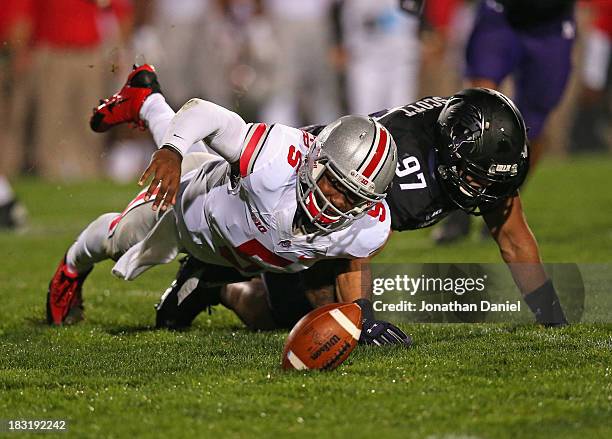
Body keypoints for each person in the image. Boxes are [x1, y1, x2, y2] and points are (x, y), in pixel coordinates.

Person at [156, 88, 569, 345]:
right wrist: (361, 315)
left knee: (310, 316)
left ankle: (218, 282)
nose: (484, 192)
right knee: (300, 320)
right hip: (304, 204)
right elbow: (348, 240)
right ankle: (217, 283)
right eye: (475, 179)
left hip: (335, 220)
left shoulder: (468, 154)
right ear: (449, 155)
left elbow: (514, 238)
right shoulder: (402, 168)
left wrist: (550, 315)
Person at [45, 65, 404, 341]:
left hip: (238, 259)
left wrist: (362, 317)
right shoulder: (275, 158)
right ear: (315, 160)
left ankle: (146, 98)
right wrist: (171, 150)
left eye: (353, 197)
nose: (335, 200)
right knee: (119, 238)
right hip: (189, 211)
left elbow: (353, 260)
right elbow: (205, 114)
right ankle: (71, 269)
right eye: (334, 183)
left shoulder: (368, 226)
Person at [434, 0, 576, 243]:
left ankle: (502, 201)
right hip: (501, 15)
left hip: (551, 25)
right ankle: (459, 205)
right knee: (476, 107)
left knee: (534, 126)